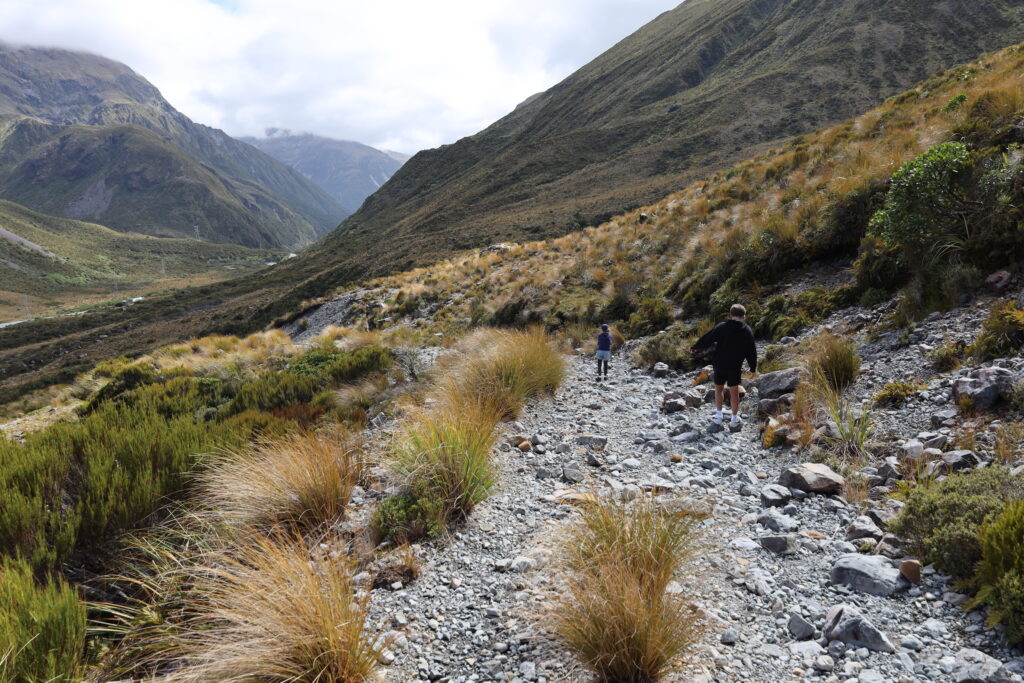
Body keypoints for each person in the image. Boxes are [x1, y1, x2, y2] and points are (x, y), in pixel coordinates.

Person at [690, 304, 757, 427]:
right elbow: (751, 351)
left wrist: (695, 347)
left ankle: (719, 416)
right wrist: (753, 368)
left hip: (719, 363)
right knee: (734, 391)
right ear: (744, 316)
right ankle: (734, 419)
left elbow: (708, 338)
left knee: (719, 388)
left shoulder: (722, 327)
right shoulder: (747, 331)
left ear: (730, 315)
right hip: (735, 365)